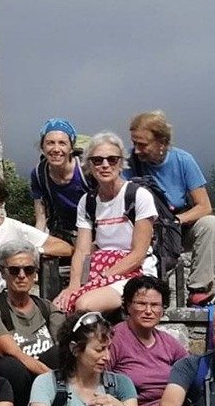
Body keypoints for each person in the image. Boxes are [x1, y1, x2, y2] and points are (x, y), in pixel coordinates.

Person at [128, 110, 215, 307]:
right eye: (134, 143)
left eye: (143, 145)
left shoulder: (183, 161)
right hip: (144, 228)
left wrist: (175, 222)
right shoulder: (129, 163)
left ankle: (198, 289)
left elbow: (204, 206)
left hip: (177, 226)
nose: (137, 150)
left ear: (161, 142)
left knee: (211, 225)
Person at [54, 131, 156, 314]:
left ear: (121, 163)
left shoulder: (138, 196)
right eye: (97, 160)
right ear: (89, 165)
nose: (105, 165)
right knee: (60, 306)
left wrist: (102, 278)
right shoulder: (88, 201)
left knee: (85, 305)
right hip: (100, 270)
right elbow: (82, 250)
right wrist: (73, 286)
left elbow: (138, 254)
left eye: (112, 159)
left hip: (134, 272)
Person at [0, 240, 65, 406]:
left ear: (35, 273)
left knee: (58, 354)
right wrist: (52, 377)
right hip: (15, 383)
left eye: (28, 270)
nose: (21, 275)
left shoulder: (47, 308)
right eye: (14, 270)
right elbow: (13, 352)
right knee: (12, 367)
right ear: (3, 272)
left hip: (44, 385)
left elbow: (64, 343)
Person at [0, 170, 72, 310]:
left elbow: (65, 248)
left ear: (1, 200)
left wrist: (31, 251)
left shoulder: (15, 229)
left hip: (5, 305)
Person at [108, 276, 189, 406]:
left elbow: (191, 371)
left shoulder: (168, 342)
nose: (148, 311)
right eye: (141, 303)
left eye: (155, 305)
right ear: (128, 306)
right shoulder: (115, 339)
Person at [31, 118, 89, 242]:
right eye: (50, 143)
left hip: (92, 230)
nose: (56, 149)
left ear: (71, 148)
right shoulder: (39, 174)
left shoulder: (86, 171)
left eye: (62, 143)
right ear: (42, 147)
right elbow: (41, 219)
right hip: (62, 232)